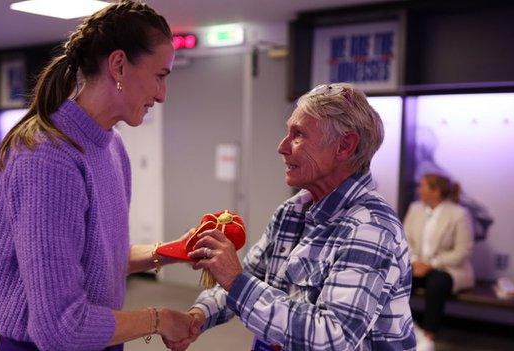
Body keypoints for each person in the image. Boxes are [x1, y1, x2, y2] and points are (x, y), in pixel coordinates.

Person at [0, 1, 195, 350]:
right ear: (118, 65)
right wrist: (159, 319)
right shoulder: (47, 157)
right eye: (160, 77)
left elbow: (97, 261)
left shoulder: (111, 146)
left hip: (98, 338)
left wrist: (174, 251)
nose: (162, 95)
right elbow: (60, 326)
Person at [168, 83, 416, 351]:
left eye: (298, 135)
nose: (282, 147)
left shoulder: (371, 227)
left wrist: (236, 281)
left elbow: (331, 339)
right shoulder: (292, 212)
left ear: (345, 146)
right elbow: (253, 276)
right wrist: (198, 317)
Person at [403, 173, 474, 351]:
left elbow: (463, 250)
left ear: (436, 191)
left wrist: (432, 264)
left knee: (437, 283)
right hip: (417, 265)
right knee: (399, 277)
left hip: (448, 269)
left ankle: (428, 336)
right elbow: (405, 239)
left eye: (423, 186)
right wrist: (415, 261)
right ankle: (403, 328)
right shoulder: (415, 208)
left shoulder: (458, 214)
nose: (419, 189)